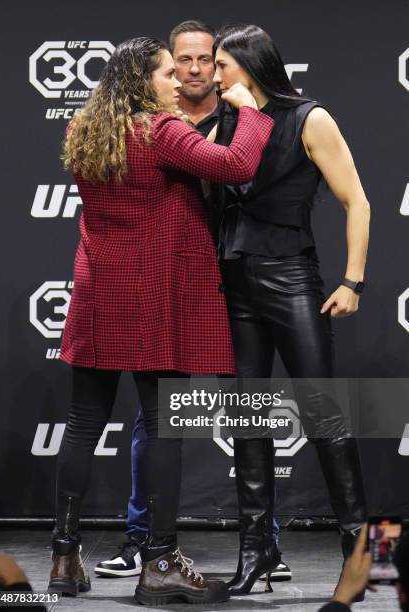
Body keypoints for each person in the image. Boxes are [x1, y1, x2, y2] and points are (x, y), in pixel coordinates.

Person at [49, 35, 274, 606]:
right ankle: (160, 563)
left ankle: (63, 557)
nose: (180, 82)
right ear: (142, 81)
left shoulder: (86, 132)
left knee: (81, 423)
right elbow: (237, 163)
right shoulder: (163, 132)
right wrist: (248, 110)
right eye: (168, 73)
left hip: (100, 290)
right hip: (155, 296)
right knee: (164, 424)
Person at [95, 19, 292, 585]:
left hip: (239, 270)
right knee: (155, 416)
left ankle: (263, 543)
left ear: (221, 64)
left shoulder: (241, 115)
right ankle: (142, 541)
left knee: (250, 406)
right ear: (169, 67)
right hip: (177, 279)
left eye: (208, 59)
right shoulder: (155, 125)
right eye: (182, 60)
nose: (196, 69)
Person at [209, 25, 370, 596]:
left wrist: (352, 280)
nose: (213, 74)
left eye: (222, 64)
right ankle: (257, 550)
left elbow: (358, 201)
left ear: (250, 65)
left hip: (291, 278)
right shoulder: (226, 117)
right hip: (236, 282)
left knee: (323, 413)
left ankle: (357, 550)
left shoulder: (310, 118)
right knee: (248, 418)